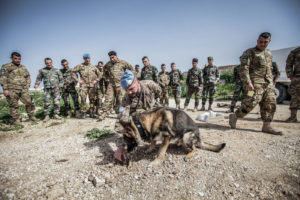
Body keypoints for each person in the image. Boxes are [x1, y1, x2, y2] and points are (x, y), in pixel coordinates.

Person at [229, 32, 282, 135]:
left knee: (270, 104)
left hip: (268, 83)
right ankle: (235, 116)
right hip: (255, 83)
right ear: (257, 41)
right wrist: (248, 82)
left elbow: (269, 69)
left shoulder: (268, 53)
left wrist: (272, 81)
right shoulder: (249, 52)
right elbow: (244, 68)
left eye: (265, 42)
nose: (262, 44)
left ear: (269, 41)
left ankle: (267, 125)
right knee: (251, 103)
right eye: (261, 42)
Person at [0, 52, 36, 124]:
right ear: (11, 58)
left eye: (19, 59)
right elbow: (3, 77)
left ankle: (31, 116)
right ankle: (16, 120)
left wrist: (28, 85)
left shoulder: (23, 67)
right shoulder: (6, 66)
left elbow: (28, 76)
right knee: (14, 104)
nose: (18, 60)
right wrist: (5, 89)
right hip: (12, 89)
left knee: (29, 102)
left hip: (23, 89)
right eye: (15, 58)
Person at [98, 51, 133, 121]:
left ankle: (121, 114)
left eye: (113, 57)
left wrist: (129, 80)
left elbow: (132, 70)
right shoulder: (108, 64)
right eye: (110, 58)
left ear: (116, 56)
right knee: (108, 99)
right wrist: (107, 79)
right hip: (111, 84)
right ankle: (104, 114)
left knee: (121, 100)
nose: (112, 59)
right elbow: (104, 72)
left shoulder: (123, 63)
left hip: (121, 84)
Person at [72, 54, 101, 119]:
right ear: (83, 59)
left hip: (92, 86)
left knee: (92, 99)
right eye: (85, 58)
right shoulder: (80, 66)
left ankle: (91, 113)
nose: (87, 59)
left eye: (88, 58)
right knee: (83, 99)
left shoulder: (93, 67)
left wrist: (96, 80)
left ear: (90, 58)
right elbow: (73, 72)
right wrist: (78, 80)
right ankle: (83, 113)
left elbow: (100, 74)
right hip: (83, 85)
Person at [34, 58, 63, 122]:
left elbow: (61, 79)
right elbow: (39, 78)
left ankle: (56, 114)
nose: (49, 64)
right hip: (47, 89)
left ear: (52, 62)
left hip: (55, 89)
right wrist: (36, 84)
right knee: (47, 102)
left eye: (50, 62)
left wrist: (60, 86)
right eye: (47, 63)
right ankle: (47, 116)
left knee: (56, 102)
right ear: (45, 63)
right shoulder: (42, 70)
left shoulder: (56, 70)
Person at [285, 47, 300, 122]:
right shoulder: (295, 51)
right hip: (297, 78)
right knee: (295, 97)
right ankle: (293, 117)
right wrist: (290, 74)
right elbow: (288, 64)